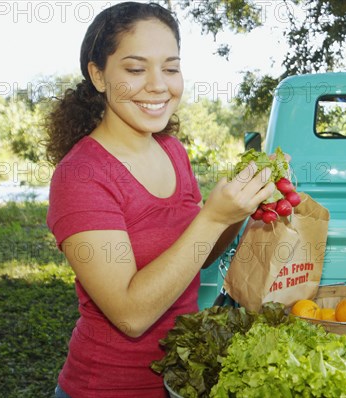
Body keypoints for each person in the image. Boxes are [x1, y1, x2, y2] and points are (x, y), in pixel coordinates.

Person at [45, 2, 275, 397]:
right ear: (98, 76)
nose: (158, 85)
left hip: (179, 381)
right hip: (107, 387)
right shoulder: (80, 176)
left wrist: (237, 211)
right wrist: (212, 218)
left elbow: (193, 258)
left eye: (170, 68)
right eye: (135, 69)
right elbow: (130, 314)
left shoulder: (172, 151)